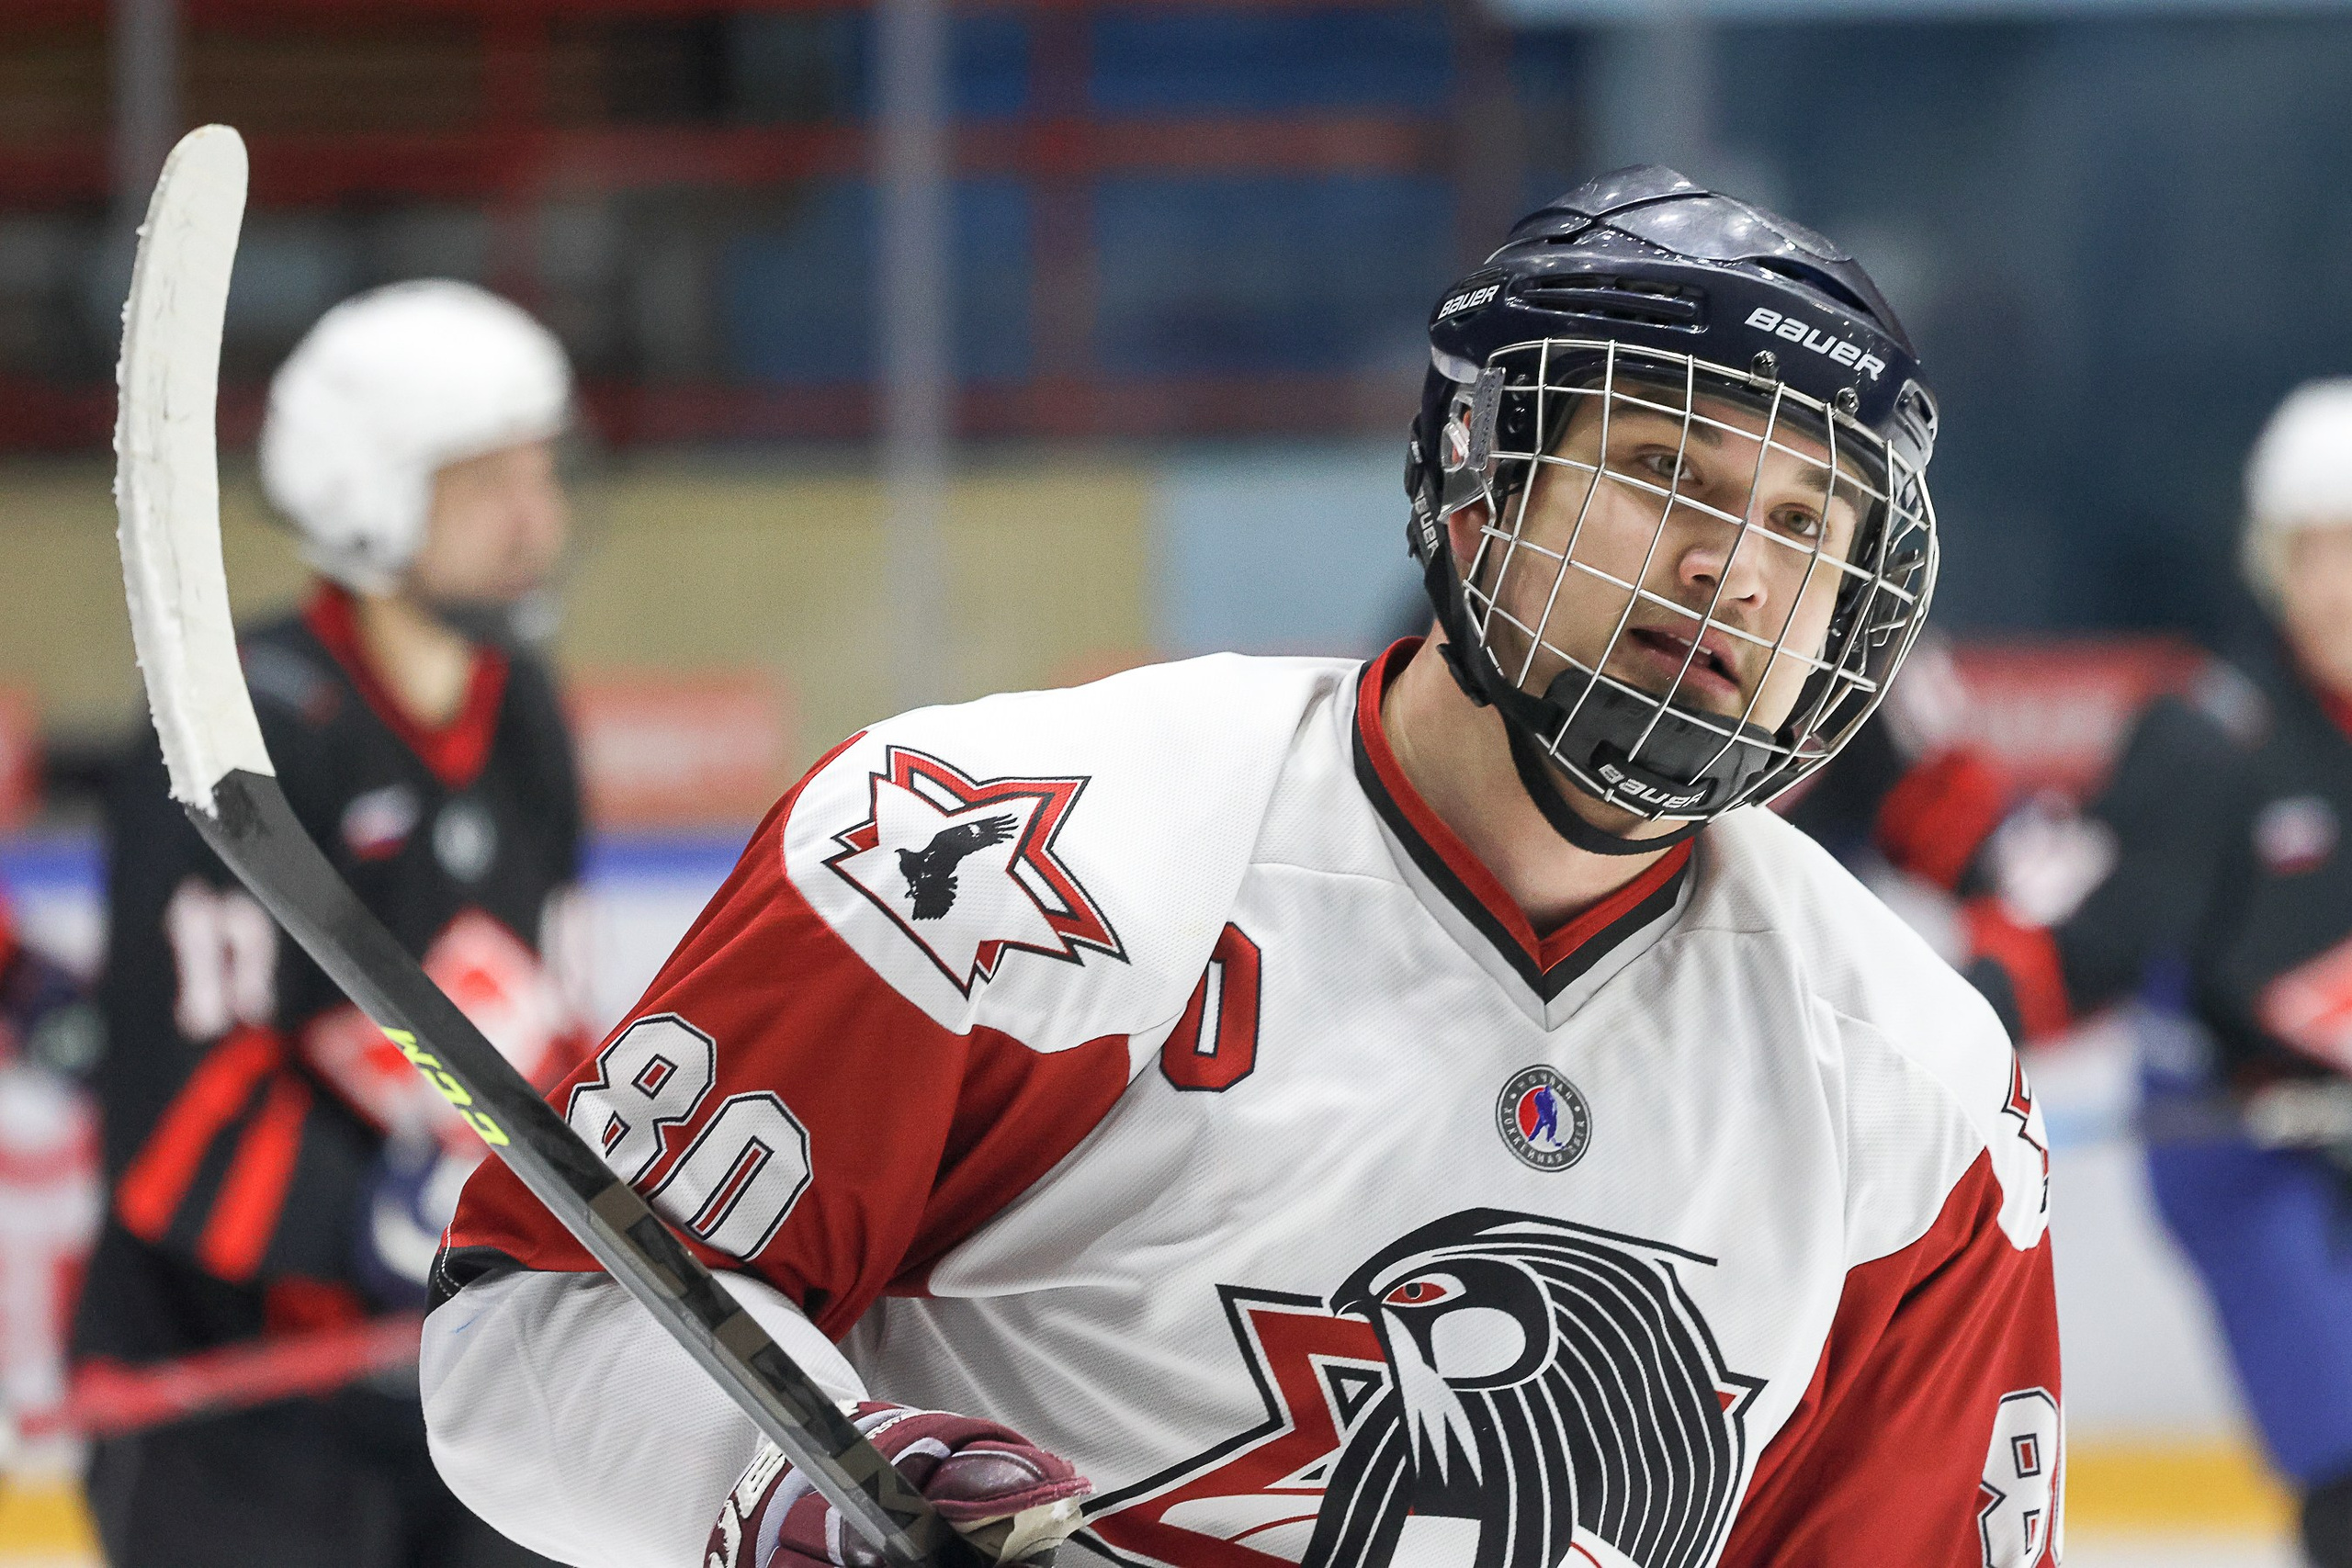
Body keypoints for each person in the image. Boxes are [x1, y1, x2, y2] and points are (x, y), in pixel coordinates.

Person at [423, 169, 2062, 1568]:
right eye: (1664, 477)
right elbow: (533, 1326)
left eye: (1806, 523)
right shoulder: (1013, 856)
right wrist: (804, 1500)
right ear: (1480, 493)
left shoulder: (1912, 1090)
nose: (1737, 569)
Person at [75, 280, 589, 1568]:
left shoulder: (524, 711)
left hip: (460, 1385)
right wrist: (377, 1222)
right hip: (234, 1407)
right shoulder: (233, 734)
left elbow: (554, 1019)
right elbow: (173, 1114)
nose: (541, 521)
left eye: (543, 476)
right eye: (489, 488)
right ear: (371, 499)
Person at [1962, 378, 2352, 1566]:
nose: (2342, 582)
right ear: (2271, 561)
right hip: (2241, 1146)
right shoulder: (2208, 736)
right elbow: (2080, 940)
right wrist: (1947, 1041)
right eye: (2316, 551)